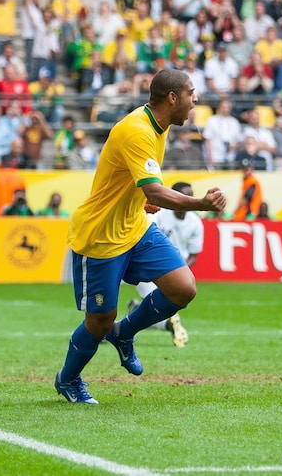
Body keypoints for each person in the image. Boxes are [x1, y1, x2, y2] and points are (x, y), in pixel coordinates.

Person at [54, 69, 226, 404]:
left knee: (183, 288)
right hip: (102, 237)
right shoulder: (138, 130)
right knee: (99, 322)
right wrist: (200, 203)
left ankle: (126, 334)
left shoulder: (157, 126)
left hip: (136, 226)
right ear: (172, 98)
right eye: (192, 94)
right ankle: (68, 379)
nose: (196, 101)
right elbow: (156, 190)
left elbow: (139, 182)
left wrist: (143, 197)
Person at [126, 181, 202, 348]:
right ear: (173, 197)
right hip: (149, 269)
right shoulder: (159, 214)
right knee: (156, 308)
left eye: (189, 195)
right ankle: (170, 323)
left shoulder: (196, 222)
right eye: (182, 195)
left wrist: (177, 273)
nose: (186, 199)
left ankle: (126, 320)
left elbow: (193, 255)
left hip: (174, 271)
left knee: (154, 309)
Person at [233, 156, 264, 221]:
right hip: (248, 213)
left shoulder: (252, 181)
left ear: (251, 169)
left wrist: (235, 211)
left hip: (250, 214)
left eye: (247, 169)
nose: (245, 171)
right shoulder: (247, 180)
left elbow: (246, 199)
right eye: (244, 169)